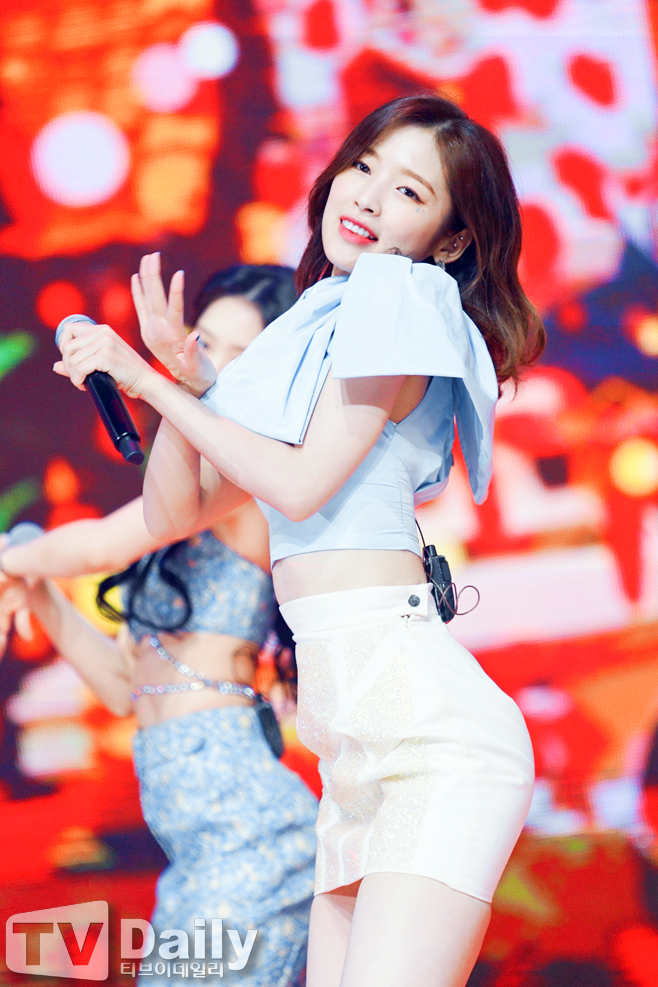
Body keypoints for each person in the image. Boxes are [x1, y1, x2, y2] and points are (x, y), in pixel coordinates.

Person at [53, 95, 546, 987]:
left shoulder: (404, 298)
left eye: (409, 191)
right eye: (363, 166)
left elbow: (299, 483)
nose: (368, 196)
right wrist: (175, 381)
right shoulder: (314, 324)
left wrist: (154, 386)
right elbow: (173, 512)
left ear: (449, 241)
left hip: (434, 745)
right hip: (353, 759)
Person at [0, 264, 317, 987]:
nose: (209, 367)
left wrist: (12, 559)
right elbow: (123, 688)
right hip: (200, 853)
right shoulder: (177, 506)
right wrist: (33, 585)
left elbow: (99, 547)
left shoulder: (251, 484)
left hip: (249, 838)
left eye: (239, 356)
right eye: (203, 342)